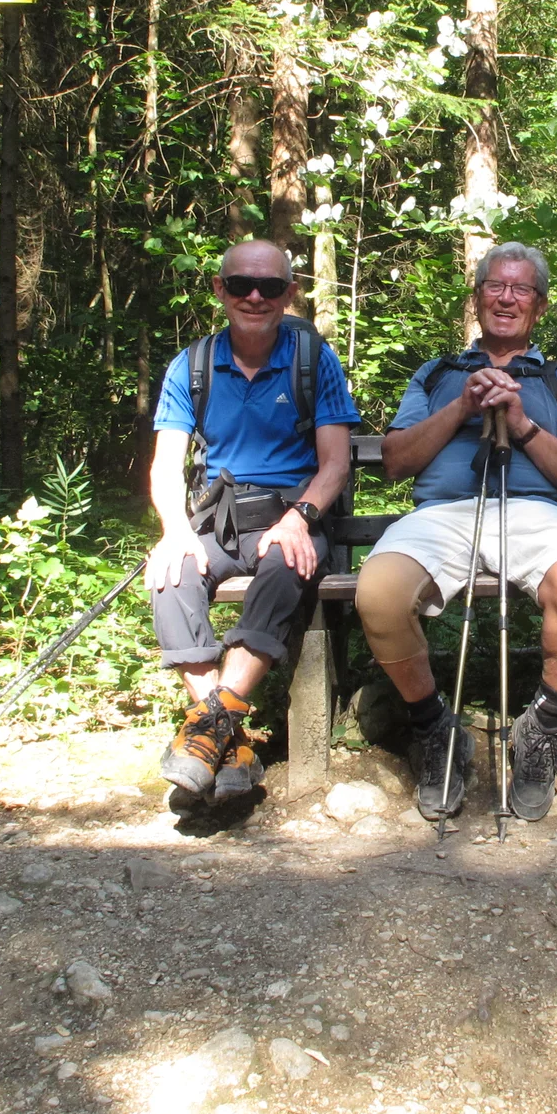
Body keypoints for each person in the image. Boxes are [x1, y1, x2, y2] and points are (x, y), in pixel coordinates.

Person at [355, 243, 557, 823]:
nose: (507, 298)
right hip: (443, 513)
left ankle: (542, 727)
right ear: (477, 297)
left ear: (538, 307)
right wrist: (462, 409)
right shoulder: (437, 373)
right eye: (496, 286)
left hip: (535, 512)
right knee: (379, 594)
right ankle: (436, 729)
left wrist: (521, 424)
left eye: (521, 290)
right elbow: (394, 461)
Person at [146, 240, 360, 803]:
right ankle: (228, 737)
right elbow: (166, 465)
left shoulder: (313, 359)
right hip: (220, 521)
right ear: (221, 290)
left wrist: (299, 519)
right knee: (170, 575)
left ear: (291, 293)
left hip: (295, 512)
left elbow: (336, 462)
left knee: (284, 561)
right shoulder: (191, 366)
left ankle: (204, 733)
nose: (255, 297)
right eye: (241, 284)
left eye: (270, 286)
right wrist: (174, 530)